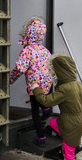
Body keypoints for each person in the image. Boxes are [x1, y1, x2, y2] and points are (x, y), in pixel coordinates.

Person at [31, 55, 82, 160]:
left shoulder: (65, 89)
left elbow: (46, 101)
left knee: (68, 155)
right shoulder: (79, 84)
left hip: (70, 124)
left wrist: (36, 88)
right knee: (52, 123)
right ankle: (75, 145)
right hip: (81, 119)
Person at [10, 17, 54, 146]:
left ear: (29, 33)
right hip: (48, 84)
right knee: (45, 105)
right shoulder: (45, 50)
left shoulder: (27, 50)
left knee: (35, 112)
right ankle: (46, 109)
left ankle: (41, 138)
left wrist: (10, 79)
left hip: (35, 86)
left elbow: (20, 68)